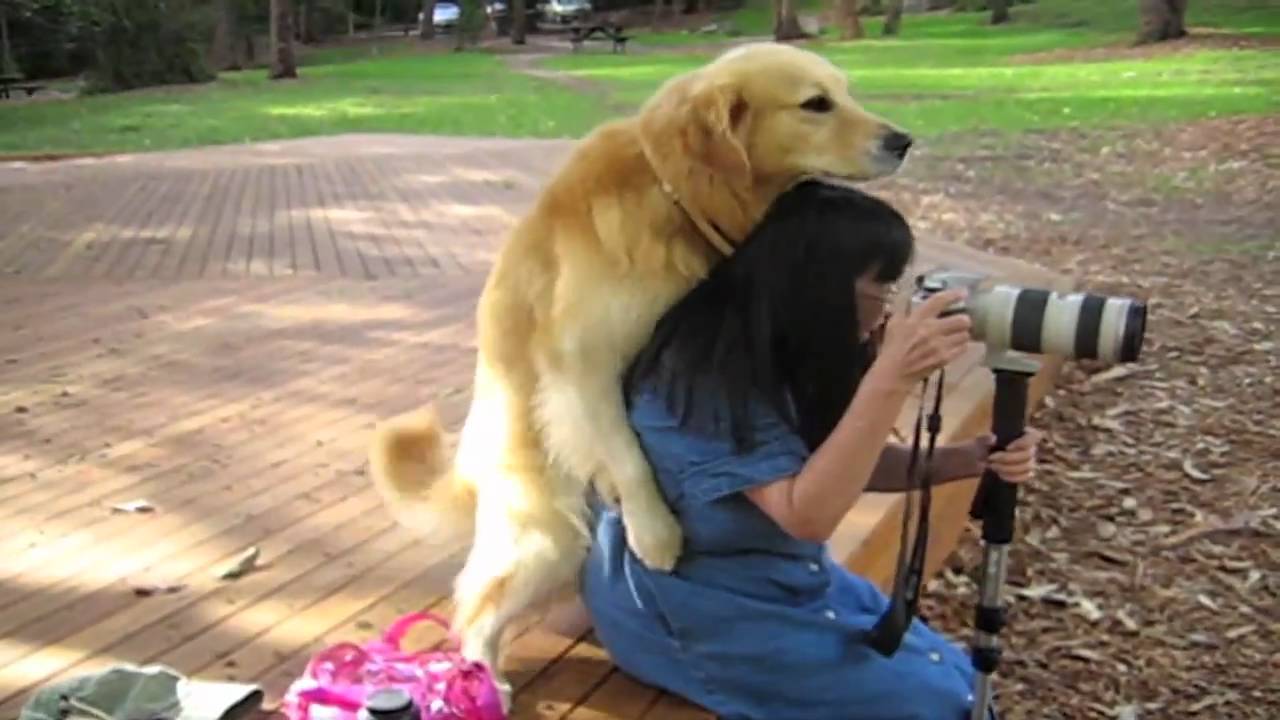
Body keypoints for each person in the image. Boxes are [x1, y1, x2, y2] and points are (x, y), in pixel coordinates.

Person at [578, 180, 1043, 720]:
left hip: (779, 580)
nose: (889, 310)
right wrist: (889, 378)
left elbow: (829, 464)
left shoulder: (776, 347)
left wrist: (963, 460)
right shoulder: (699, 378)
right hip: (695, 613)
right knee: (940, 706)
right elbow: (807, 514)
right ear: (820, 285)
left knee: (961, 679)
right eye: (882, 290)